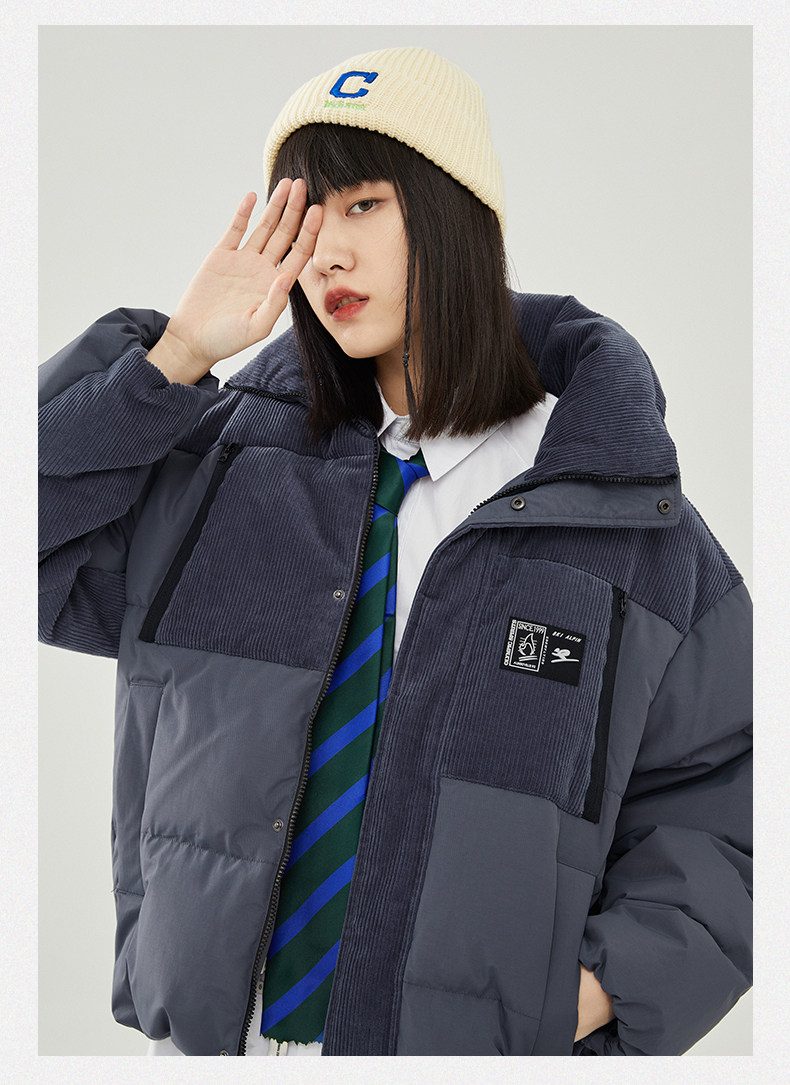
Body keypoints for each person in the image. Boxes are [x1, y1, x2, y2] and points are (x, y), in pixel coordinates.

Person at [38, 46, 752, 1056]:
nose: (325, 253)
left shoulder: (624, 525)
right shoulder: (215, 477)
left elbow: (733, 810)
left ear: (458, 215)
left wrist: (581, 996)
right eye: (303, 217)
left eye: (364, 205)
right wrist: (175, 357)